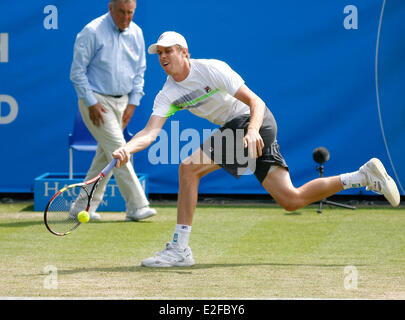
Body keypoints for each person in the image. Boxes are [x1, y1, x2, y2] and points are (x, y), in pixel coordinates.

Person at [112, 31, 401, 267]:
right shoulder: (168, 94)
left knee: (188, 168)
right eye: (159, 53)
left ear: (184, 52)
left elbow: (256, 102)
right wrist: (127, 148)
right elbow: (150, 132)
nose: (163, 57)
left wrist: (251, 131)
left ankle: (180, 249)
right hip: (244, 130)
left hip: (253, 123)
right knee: (291, 199)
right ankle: (362, 176)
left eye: (168, 51)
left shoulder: (211, 69)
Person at [69, 0, 156, 222]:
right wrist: (90, 102)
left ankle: (81, 208)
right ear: (110, 8)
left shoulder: (136, 32)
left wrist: (133, 102)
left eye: (130, 13)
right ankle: (137, 205)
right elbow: (77, 72)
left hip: (123, 102)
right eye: (121, 12)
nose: (126, 17)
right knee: (119, 149)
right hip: (97, 102)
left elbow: (140, 70)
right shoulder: (92, 31)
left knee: (105, 156)